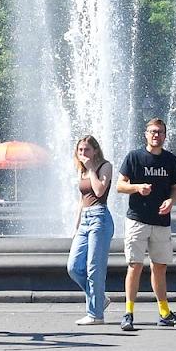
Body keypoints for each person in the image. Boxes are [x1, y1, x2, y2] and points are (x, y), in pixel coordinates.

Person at [116, 117, 176, 331]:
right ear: (145, 134)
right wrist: (137, 187)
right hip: (137, 219)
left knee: (160, 267)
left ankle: (164, 312)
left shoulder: (170, 160)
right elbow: (120, 185)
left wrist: (171, 201)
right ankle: (128, 312)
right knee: (135, 265)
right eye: (152, 131)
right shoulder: (134, 157)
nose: (156, 135)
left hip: (161, 221)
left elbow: (175, 188)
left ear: (165, 135)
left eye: (160, 132)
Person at [67, 134, 115, 325]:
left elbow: (99, 191)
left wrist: (92, 169)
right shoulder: (82, 171)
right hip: (86, 219)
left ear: (95, 150)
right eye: (80, 150)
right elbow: (82, 200)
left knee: (94, 268)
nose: (83, 153)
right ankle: (100, 300)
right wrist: (76, 225)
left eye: (86, 149)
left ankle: (95, 315)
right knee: (73, 266)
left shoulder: (104, 166)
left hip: (100, 218)